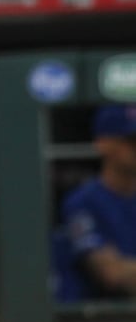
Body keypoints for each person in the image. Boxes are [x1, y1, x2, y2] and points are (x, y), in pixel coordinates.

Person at [56, 105, 136, 299]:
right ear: (102, 143)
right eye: (130, 141)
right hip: (98, 320)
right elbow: (112, 274)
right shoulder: (83, 202)